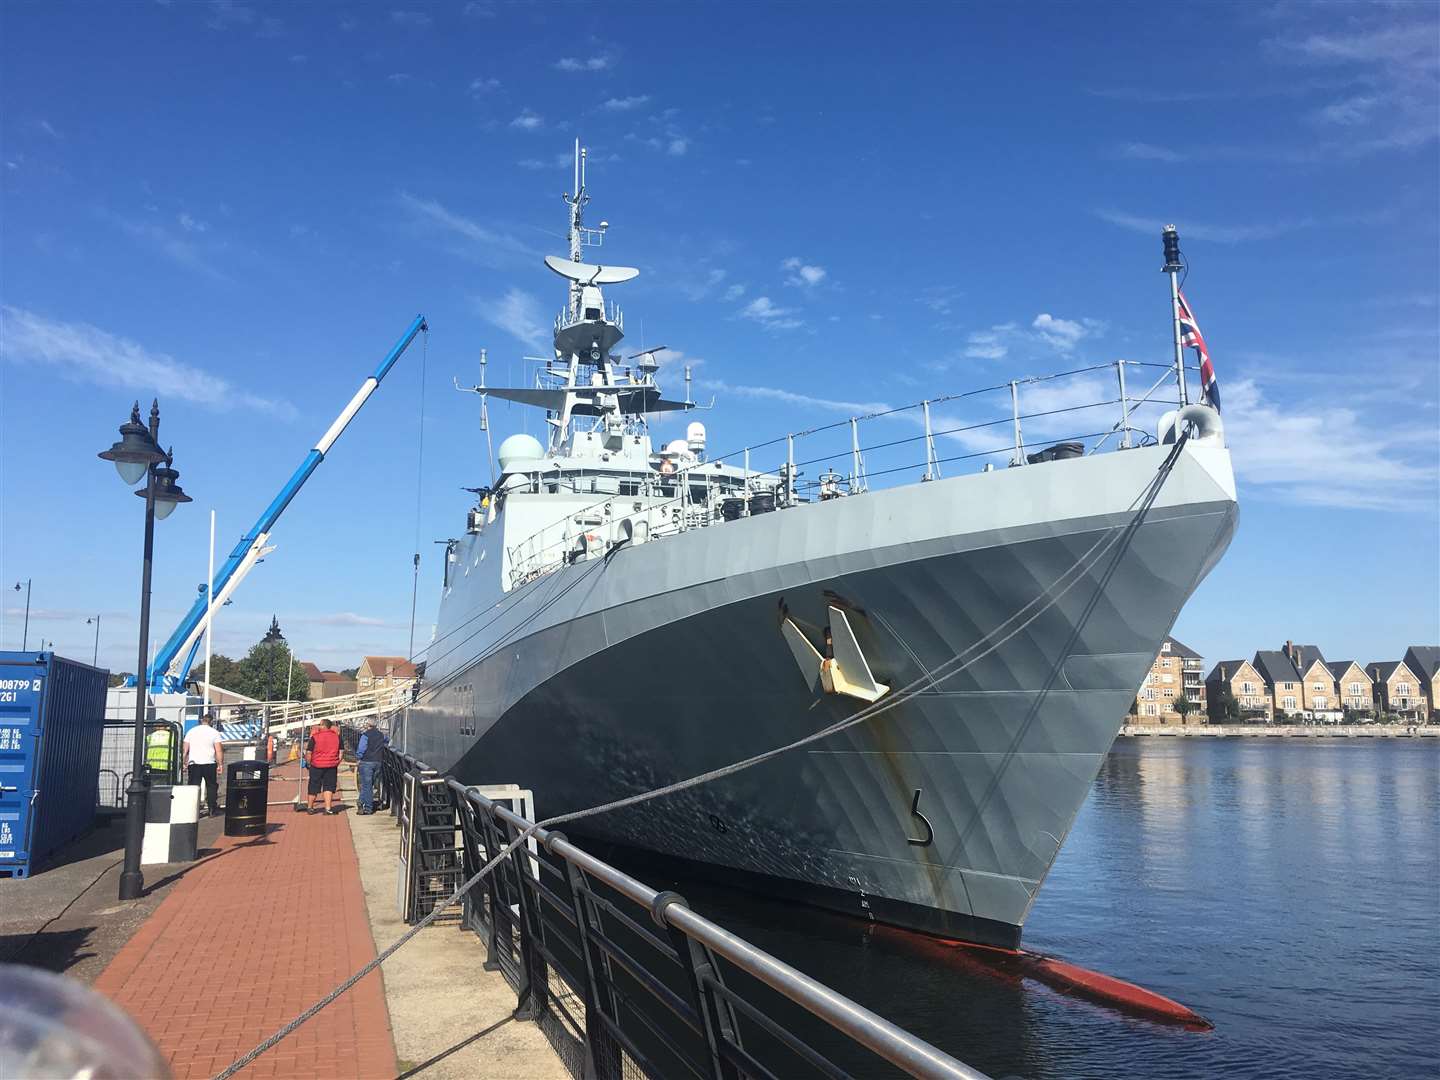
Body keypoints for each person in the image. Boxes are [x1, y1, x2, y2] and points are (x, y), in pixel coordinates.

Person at [182, 713, 225, 817]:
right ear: (211, 722)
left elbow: (185, 750)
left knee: (194, 786)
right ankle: (211, 809)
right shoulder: (214, 732)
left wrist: (183, 763)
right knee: (211, 786)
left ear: (202, 721)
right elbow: (218, 750)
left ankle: (193, 811)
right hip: (209, 763)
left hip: (194, 763)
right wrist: (220, 764)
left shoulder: (191, 731)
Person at [305, 718, 342, 815]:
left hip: (316, 765)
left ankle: (310, 807)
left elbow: (309, 752)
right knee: (329, 786)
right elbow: (341, 752)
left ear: (322, 725)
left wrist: (308, 763)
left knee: (313, 786)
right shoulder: (337, 737)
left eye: (319, 725)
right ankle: (328, 808)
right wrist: (337, 762)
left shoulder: (315, 737)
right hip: (331, 765)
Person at [355, 720, 387, 815]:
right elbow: (387, 740)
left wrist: (358, 758)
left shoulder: (365, 735)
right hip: (378, 761)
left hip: (367, 762)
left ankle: (368, 808)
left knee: (367, 785)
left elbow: (361, 749)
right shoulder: (381, 735)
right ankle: (360, 802)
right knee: (369, 784)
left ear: (368, 726)